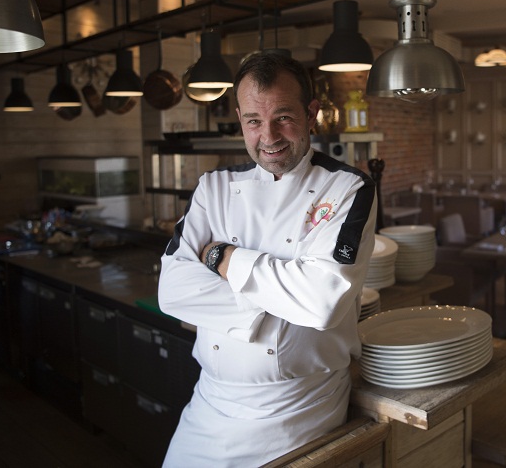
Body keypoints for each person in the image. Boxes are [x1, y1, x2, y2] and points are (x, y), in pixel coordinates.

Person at [158, 52, 377, 467]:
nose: (269, 135)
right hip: (210, 403)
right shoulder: (215, 187)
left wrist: (223, 257)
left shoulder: (347, 188)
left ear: (312, 114)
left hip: (298, 409)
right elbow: (173, 291)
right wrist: (283, 299)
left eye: (284, 117)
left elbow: (321, 303)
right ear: (240, 119)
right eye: (254, 121)